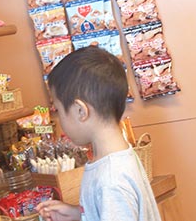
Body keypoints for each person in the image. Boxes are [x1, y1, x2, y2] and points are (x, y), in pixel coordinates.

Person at [36, 46, 161, 221]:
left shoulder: (111, 180)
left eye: (58, 110)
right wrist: (79, 214)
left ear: (81, 111)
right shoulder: (118, 160)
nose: (59, 120)